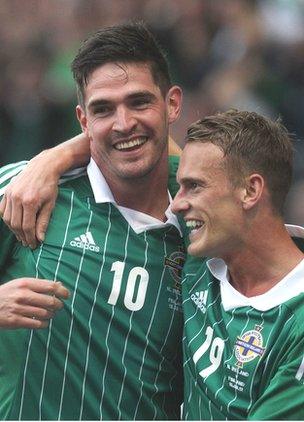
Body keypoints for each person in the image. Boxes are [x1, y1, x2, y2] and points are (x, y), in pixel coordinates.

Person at [0, 21, 185, 420]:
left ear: (172, 104)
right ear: (83, 120)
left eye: (139, 102)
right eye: (104, 109)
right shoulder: (24, 191)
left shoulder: (201, 223)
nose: (123, 124)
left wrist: (59, 154)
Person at [171, 109, 304, 420]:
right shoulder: (200, 256)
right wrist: (52, 161)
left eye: (194, 186)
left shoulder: (298, 320)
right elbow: (130, 137)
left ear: (250, 191)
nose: (176, 203)